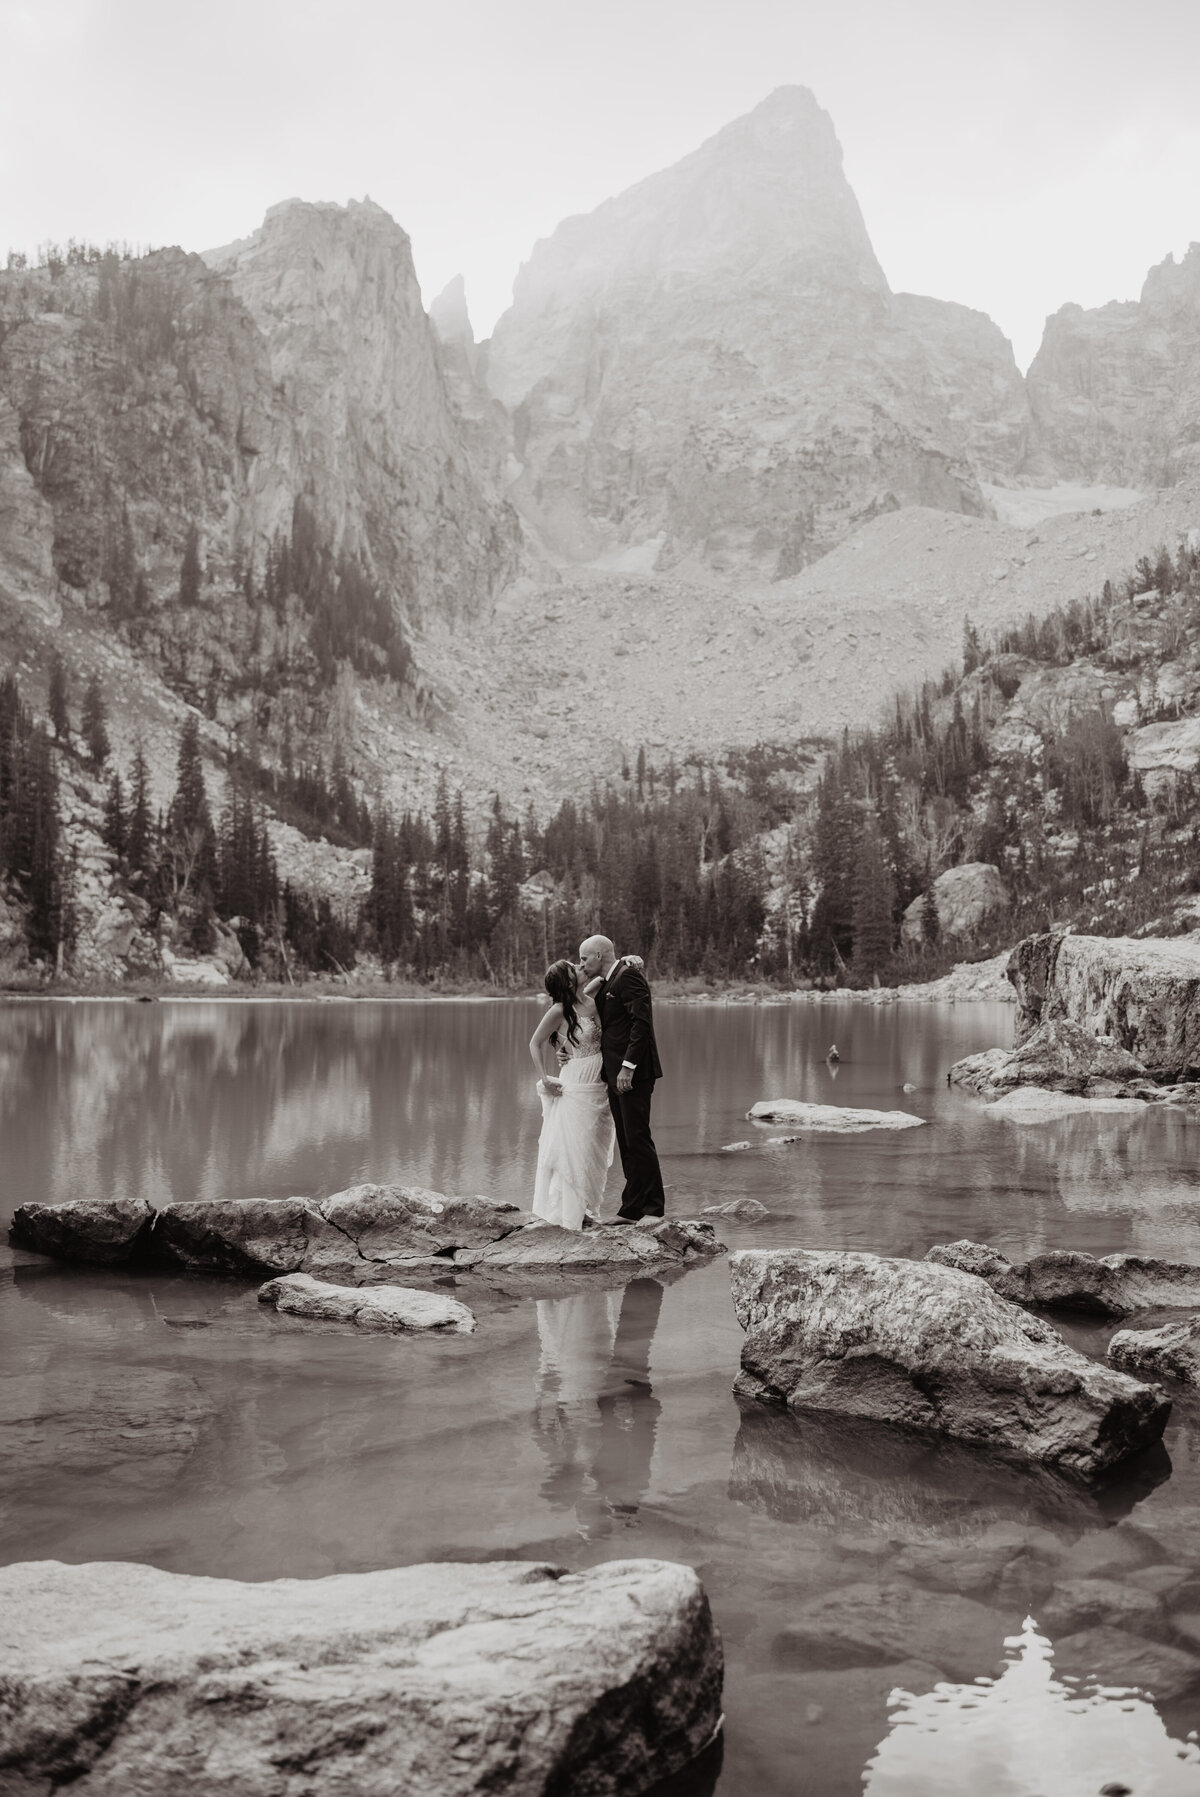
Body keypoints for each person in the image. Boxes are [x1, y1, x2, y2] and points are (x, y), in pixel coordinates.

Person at [578, 933, 665, 1222]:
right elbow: (580, 1004)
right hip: (614, 1074)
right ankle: (632, 1209)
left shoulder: (629, 977)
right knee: (627, 1142)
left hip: (633, 1074)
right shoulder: (607, 981)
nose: (582, 963)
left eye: (584, 958)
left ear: (599, 956)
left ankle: (653, 1208)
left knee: (639, 1138)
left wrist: (628, 1066)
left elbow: (641, 1023)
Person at [528, 959, 615, 1229]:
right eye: (574, 968)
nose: (580, 966)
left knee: (593, 1147)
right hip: (575, 1083)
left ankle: (586, 1208)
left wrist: (630, 960)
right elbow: (535, 1042)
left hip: (599, 1084)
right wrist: (544, 1077)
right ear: (568, 981)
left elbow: (608, 971)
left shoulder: (591, 997)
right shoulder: (558, 1010)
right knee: (572, 1150)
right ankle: (566, 1214)